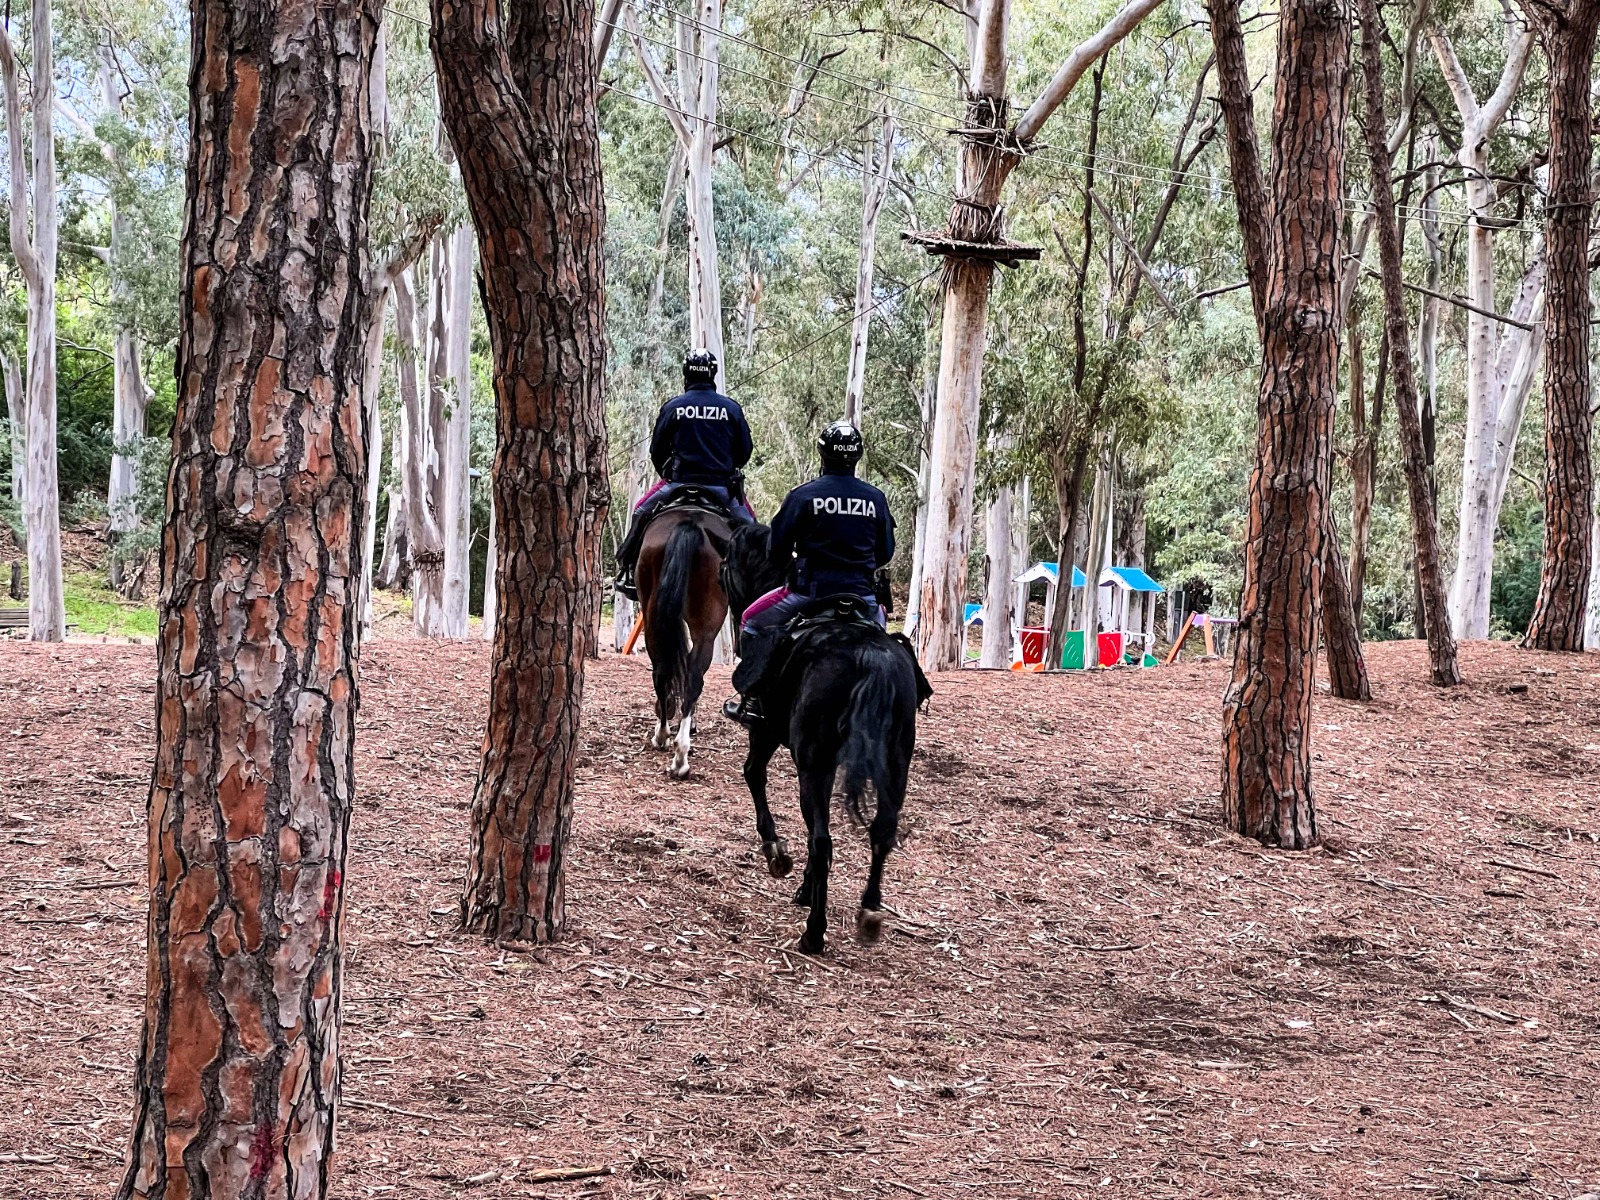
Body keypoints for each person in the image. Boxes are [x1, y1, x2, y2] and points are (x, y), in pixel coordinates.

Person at [723, 420, 894, 725]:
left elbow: (775, 552)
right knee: (886, 644)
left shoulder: (803, 496)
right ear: (857, 456)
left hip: (808, 593)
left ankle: (752, 698)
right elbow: (886, 552)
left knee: (751, 620)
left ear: (822, 454)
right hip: (863, 598)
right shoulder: (875, 498)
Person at [616, 348, 755, 598]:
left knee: (640, 511)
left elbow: (657, 450)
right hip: (721, 488)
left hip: (677, 483)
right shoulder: (731, 409)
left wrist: (668, 472)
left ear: (686, 374)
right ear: (712, 374)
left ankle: (627, 570)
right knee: (751, 526)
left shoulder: (673, 407)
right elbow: (744, 452)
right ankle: (755, 584)